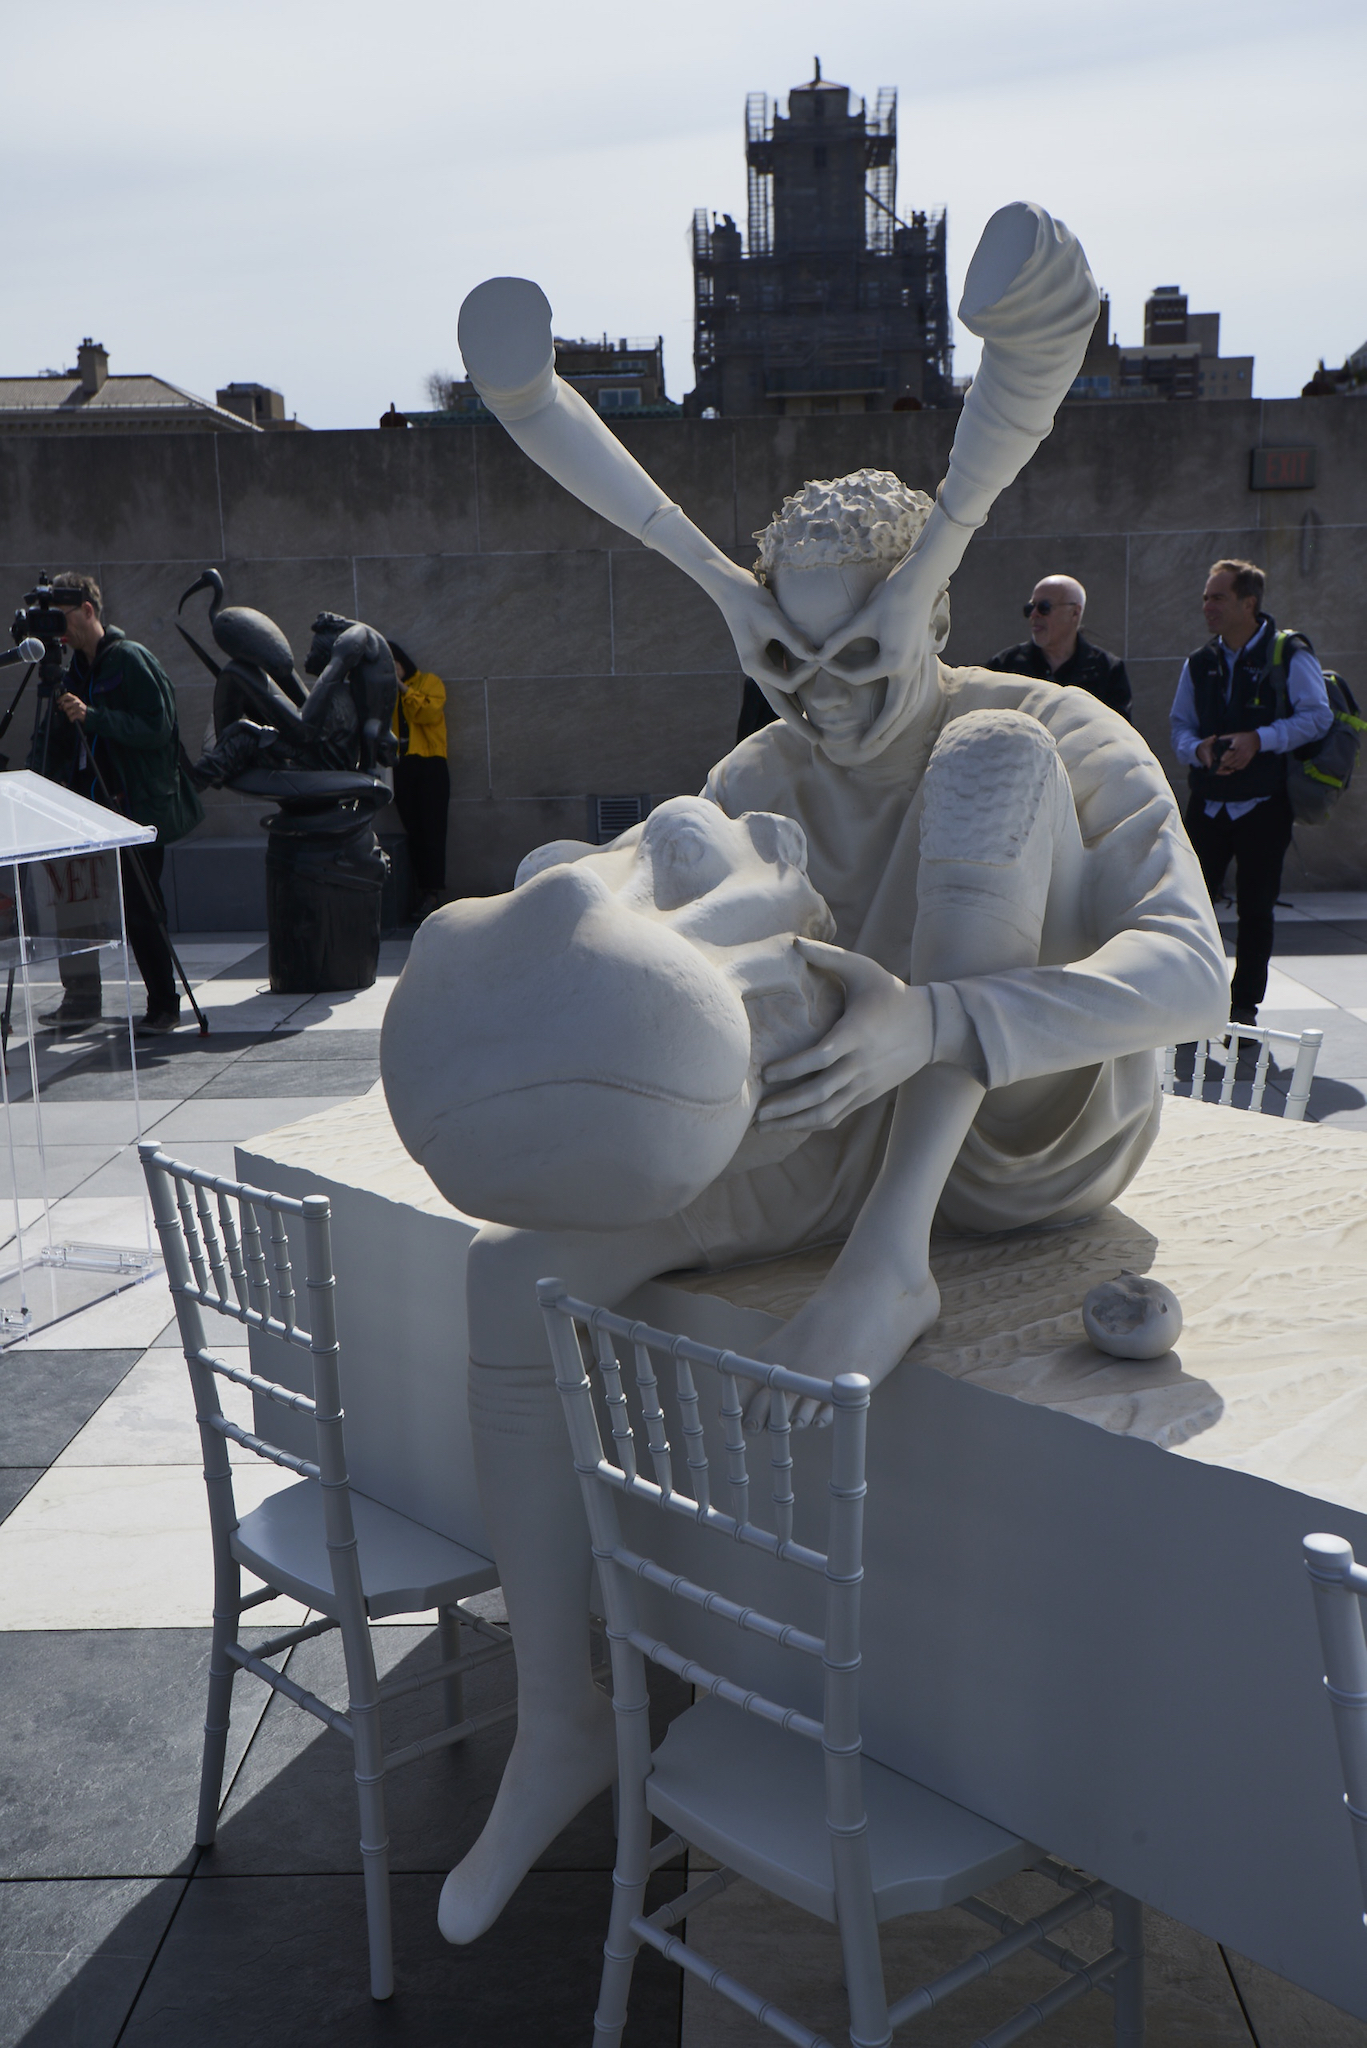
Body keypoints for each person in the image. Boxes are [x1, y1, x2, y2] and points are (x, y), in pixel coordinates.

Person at [388, 204, 1230, 1949]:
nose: (820, 696)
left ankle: (890, 1261)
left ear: (931, 608)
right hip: (825, 1121)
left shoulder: (1051, 721)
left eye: (858, 654)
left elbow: (1189, 974)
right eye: (780, 650)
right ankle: (567, 1724)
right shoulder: (764, 748)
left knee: (986, 770)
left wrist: (937, 1022)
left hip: (1015, 1140)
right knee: (512, 1271)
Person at [1169, 558, 1333, 1027]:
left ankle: (1243, 1009)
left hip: (1264, 805)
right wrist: (1196, 749)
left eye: (1218, 597)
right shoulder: (1199, 662)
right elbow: (1180, 726)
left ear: (1249, 603)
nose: (1207, 606)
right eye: (1205, 597)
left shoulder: (1289, 653)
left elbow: (1316, 717)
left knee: (1256, 909)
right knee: (1191, 906)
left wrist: (1260, 739)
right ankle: (1193, 1000)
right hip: (1208, 803)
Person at [39, 574, 202, 1034]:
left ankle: (164, 1005)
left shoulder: (130, 660)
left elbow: (158, 727)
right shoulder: (75, 670)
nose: (61, 631)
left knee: (140, 907)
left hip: (137, 809)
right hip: (91, 809)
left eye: (65, 618)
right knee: (79, 904)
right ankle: (82, 1001)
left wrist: (95, 717)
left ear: (89, 610)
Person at [987, 573, 1132, 717]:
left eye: (1044, 607)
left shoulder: (1108, 670)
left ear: (1075, 612)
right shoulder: (1004, 666)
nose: (1034, 614)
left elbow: (1117, 733)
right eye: (1030, 607)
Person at [386, 640, 449, 921]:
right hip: (401, 765)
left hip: (430, 763)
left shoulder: (429, 682)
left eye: (394, 663)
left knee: (432, 830)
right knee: (413, 830)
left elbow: (426, 713)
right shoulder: (383, 691)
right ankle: (417, 892)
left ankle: (432, 893)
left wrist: (401, 687)